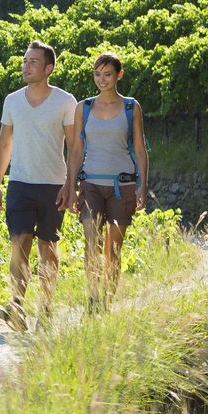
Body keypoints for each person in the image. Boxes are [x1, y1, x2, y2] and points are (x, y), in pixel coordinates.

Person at [0, 41, 77, 331]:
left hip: (53, 185)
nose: (25, 66)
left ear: (48, 68)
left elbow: (75, 146)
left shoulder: (66, 101)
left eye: (32, 62)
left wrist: (71, 184)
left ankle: (47, 307)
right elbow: (4, 143)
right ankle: (16, 305)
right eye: (24, 61)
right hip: (20, 183)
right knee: (19, 243)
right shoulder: (12, 100)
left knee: (48, 246)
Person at [64, 52, 149, 313]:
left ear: (119, 75)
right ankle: (92, 300)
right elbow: (76, 149)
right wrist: (70, 187)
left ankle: (107, 302)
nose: (102, 79)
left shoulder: (131, 107)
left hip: (121, 187)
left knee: (113, 249)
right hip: (90, 184)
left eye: (107, 74)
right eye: (97, 74)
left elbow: (139, 147)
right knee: (92, 246)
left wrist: (142, 185)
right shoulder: (84, 107)